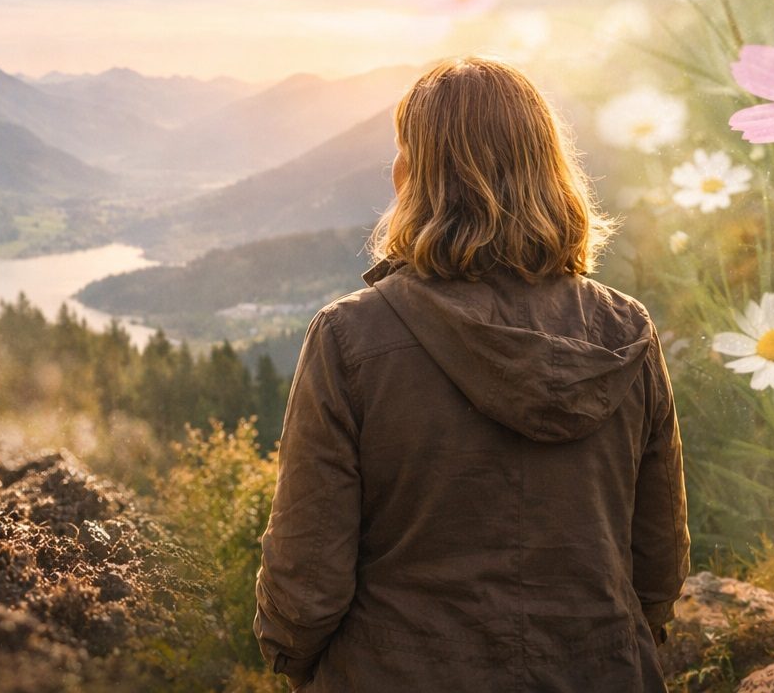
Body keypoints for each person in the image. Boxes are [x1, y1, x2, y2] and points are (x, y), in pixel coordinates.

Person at [254, 56, 689, 692]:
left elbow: (307, 579)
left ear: (413, 178)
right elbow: (659, 562)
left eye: (403, 153)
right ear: (550, 171)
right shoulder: (627, 332)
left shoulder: (350, 338)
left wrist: (294, 660)